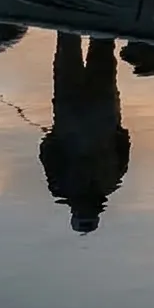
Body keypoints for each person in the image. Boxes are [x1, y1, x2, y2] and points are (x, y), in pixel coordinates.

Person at [39, 33, 130, 234]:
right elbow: (46, 151)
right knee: (68, 45)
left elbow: (123, 140)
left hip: (102, 109)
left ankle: (94, 13)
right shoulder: (60, 188)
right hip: (70, 109)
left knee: (102, 47)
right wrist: (53, 136)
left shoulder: (113, 182)